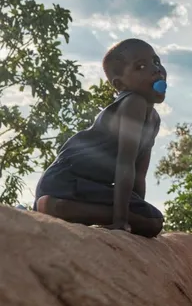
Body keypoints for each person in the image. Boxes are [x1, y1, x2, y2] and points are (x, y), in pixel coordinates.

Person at [34, 38, 166, 238]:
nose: (156, 69)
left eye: (156, 61)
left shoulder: (154, 120)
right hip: (65, 181)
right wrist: (122, 220)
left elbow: (139, 175)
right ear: (120, 84)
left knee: (151, 222)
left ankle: (66, 208)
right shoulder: (133, 103)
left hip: (84, 186)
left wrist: (136, 209)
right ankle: (58, 207)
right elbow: (125, 164)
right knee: (152, 221)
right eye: (140, 66)